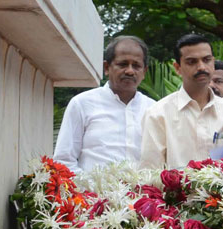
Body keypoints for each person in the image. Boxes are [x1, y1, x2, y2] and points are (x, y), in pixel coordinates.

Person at [140, 33, 223, 169]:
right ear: (177, 68)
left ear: (213, 62)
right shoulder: (158, 114)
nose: (201, 67)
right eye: (192, 62)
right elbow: (150, 171)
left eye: (206, 60)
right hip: (172, 190)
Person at [54, 36, 155, 175]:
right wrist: (90, 189)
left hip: (143, 194)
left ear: (144, 72)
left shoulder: (154, 109)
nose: (130, 71)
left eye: (136, 66)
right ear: (107, 67)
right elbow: (63, 160)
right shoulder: (82, 104)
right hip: (91, 195)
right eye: (123, 64)